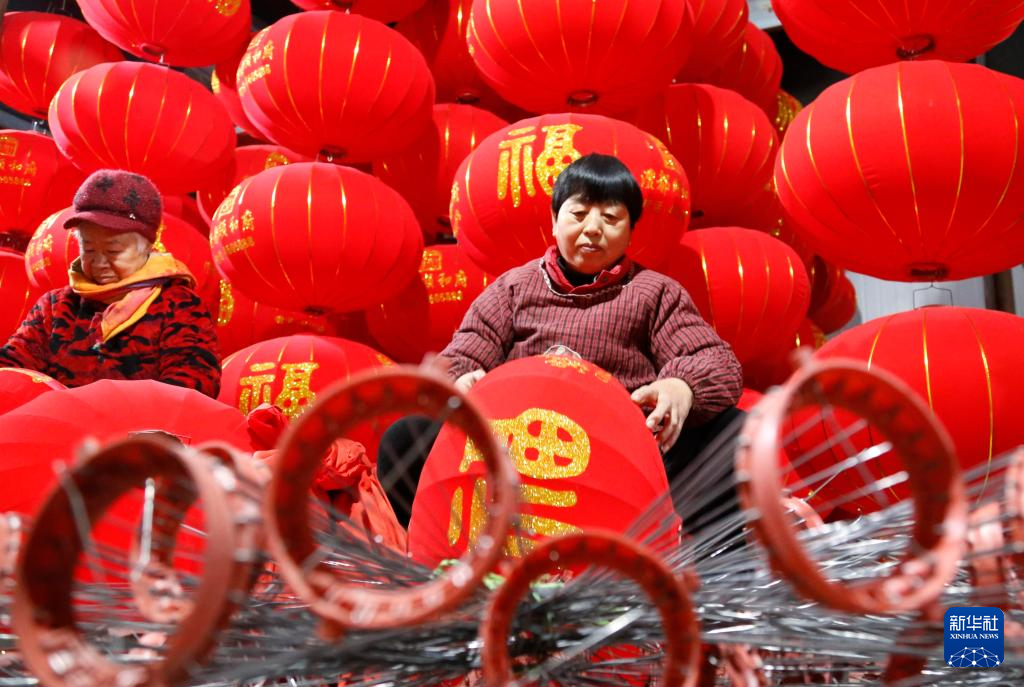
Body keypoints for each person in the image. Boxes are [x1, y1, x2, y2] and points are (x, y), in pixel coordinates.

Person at [378, 153, 743, 526]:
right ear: (554, 221)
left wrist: (681, 387)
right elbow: (464, 353)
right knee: (408, 438)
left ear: (631, 230)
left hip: (622, 455)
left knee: (731, 432)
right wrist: (462, 380)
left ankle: (708, 559)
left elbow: (714, 360)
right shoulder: (513, 288)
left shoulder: (656, 292)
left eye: (611, 218)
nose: (593, 229)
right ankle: (430, 551)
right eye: (579, 214)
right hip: (516, 448)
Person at [0, 169, 221, 397]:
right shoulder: (57, 306)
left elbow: (195, 381)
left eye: (113, 251)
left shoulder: (177, 304)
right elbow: (14, 367)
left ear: (146, 246)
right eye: (89, 249)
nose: (99, 262)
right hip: (61, 418)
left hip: (143, 419)